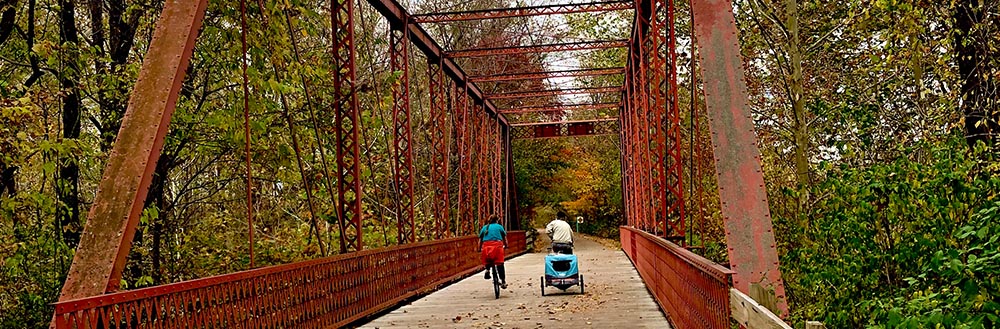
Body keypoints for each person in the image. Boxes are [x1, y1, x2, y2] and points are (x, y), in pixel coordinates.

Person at [478, 215, 508, 289]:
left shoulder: (484, 228)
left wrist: (479, 249)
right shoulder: (499, 227)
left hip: (486, 247)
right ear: (497, 220)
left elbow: (480, 240)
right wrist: (506, 246)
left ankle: (487, 269)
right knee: (500, 263)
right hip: (497, 246)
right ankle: (503, 281)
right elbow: (504, 238)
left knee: (487, 259)